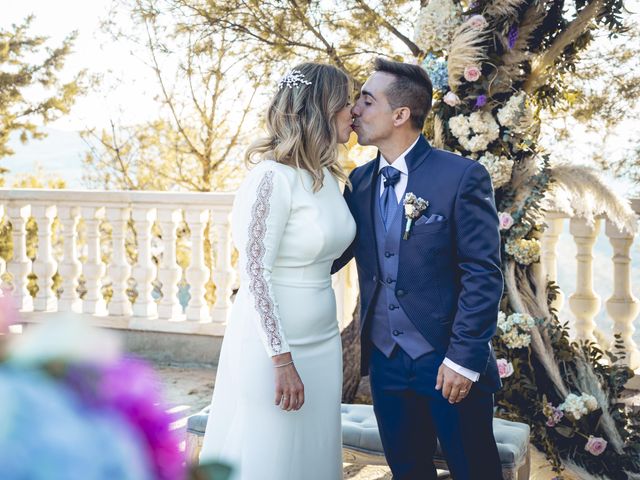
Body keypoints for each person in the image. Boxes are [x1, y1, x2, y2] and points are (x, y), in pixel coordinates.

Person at [332, 58, 504, 480]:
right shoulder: (359, 182)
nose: (355, 111)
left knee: (474, 471)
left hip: (447, 359)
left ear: (401, 114)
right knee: (408, 471)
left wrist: (463, 360)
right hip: (387, 363)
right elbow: (331, 252)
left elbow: (483, 274)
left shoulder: (461, 176)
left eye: (367, 102)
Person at [199, 63, 356, 480]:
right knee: (270, 456)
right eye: (346, 104)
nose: (354, 112)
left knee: (312, 455)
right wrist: (281, 359)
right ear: (321, 110)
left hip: (324, 342)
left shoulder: (326, 177)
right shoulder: (271, 178)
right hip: (273, 349)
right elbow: (255, 274)